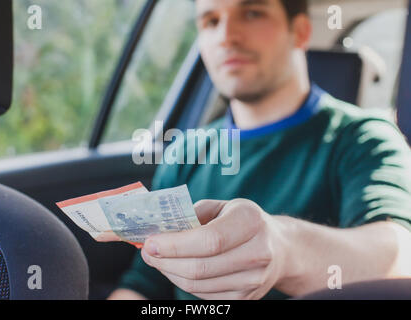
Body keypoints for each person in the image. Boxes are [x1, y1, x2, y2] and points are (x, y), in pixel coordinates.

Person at [101, 0, 411, 300]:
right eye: (211, 21)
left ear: (300, 31)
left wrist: (284, 248)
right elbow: (146, 282)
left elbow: (398, 255)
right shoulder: (185, 150)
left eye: (251, 13)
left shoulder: (364, 138)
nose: (226, 36)